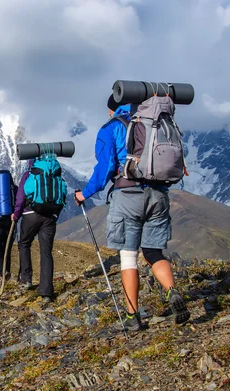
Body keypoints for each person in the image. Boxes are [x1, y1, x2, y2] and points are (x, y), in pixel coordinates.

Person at [74, 102, 190, 331]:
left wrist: (84, 193)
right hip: (159, 195)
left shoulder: (113, 127)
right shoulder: (156, 122)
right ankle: (171, 291)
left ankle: (132, 316)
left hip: (128, 195)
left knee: (128, 257)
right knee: (154, 251)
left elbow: (105, 167)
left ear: (112, 108)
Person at [12, 159, 59, 303]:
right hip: (50, 216)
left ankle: (26, 280)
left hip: (30, 215)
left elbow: (21, 197)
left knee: (24, 244)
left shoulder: (29, 174)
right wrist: (55, 215)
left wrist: (16, 214)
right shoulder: (54, 175)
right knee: (46, 252)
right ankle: (46, 292)